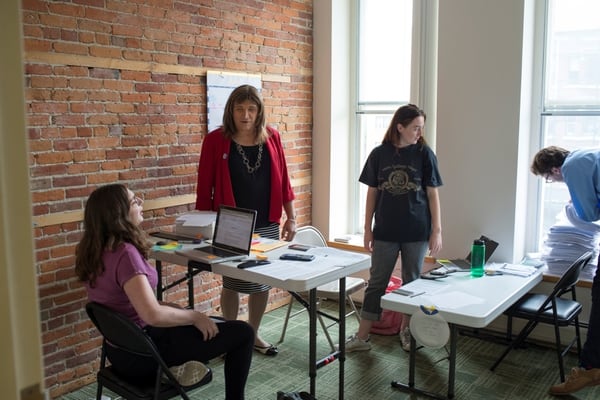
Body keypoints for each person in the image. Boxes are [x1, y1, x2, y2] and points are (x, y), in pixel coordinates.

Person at [75, 184, 254, 400]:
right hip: (146, 356)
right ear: (118, 214)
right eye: (134, 201)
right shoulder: (125, 254)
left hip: (120, 352)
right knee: (243, 333)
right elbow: (152, 315)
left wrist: (177, 311)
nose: (140, 204)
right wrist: (194, 316)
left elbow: (128, 302)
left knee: (195, 319)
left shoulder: (94, 250)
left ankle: (181, 366)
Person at [195, 84, 297, 356]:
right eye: (240, 109)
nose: (246, 115)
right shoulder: (216, 140)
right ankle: (231, 334)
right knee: (232, 281)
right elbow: (204, 186)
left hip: (267, 221)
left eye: (251, 109)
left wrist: (292, 218)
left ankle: (252, 333)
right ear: (231, 111)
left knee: (260, 280)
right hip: (232, 223)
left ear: (259, 111)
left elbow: (284, 179)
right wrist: (205, 225)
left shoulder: (272, 137)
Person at [338, 104, 443, 353]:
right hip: (384, 229)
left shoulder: (425, 154)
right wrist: (367, 228)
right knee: (376, 283)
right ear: (400, 127)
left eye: (421, 128)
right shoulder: (379, 154)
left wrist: (436, 229)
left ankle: (406, 331)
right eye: (415, 127)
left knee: (411, 283)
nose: (419, 132)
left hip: (416, 231)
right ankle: (363, 337)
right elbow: (372, 193)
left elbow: (432, 194)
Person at [531, 146, 600, 395]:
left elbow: (589, 214)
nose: (555, 182)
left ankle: (590, 369)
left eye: (549, 179)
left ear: (555, 169)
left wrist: (575, 206)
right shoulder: (587, 155)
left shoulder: (572, 167)